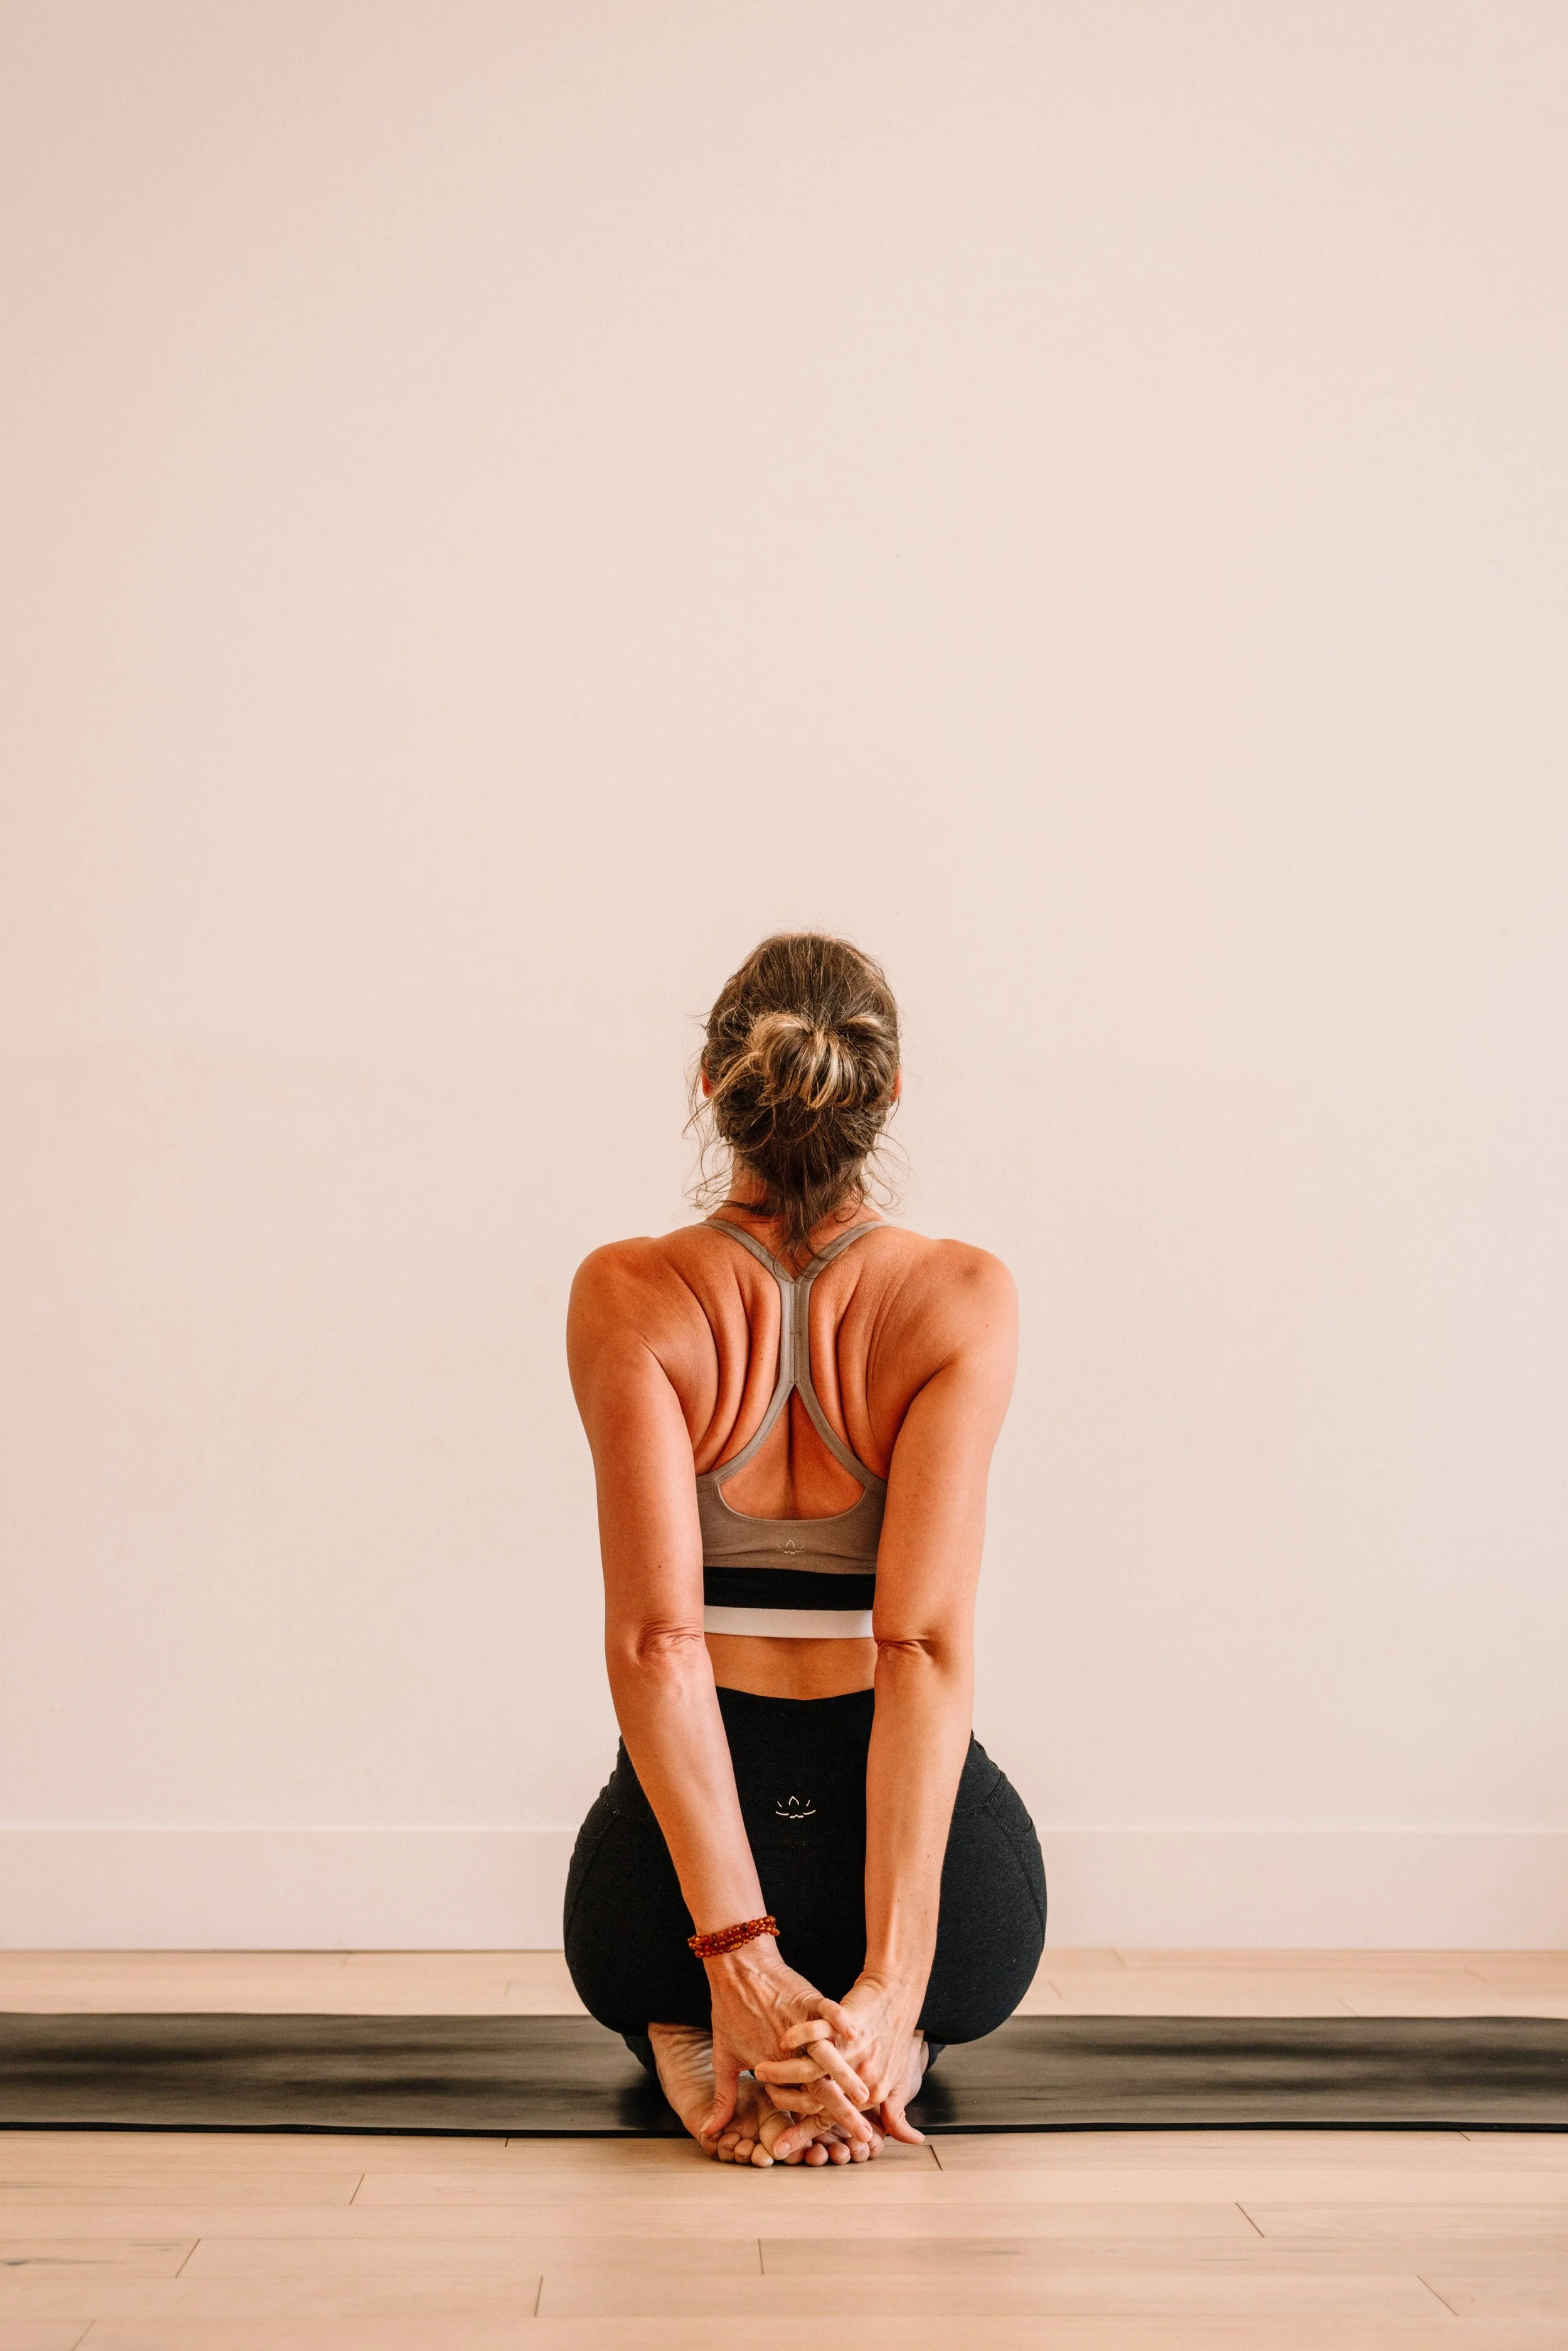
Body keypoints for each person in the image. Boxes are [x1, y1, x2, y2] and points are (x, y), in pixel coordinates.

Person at [564, 933, 1045, 2165]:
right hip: (939, 1904)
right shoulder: (958, 1294)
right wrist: (895, 1976)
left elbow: (656, 1642)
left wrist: (735, 1947)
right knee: (935, 1976)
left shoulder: (628, 1291)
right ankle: (878, 2048)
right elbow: (920, 1645)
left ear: (710, 1083)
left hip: (666, 1904)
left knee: (642, 1955)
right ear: (883, 1092)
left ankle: (710, 2032)